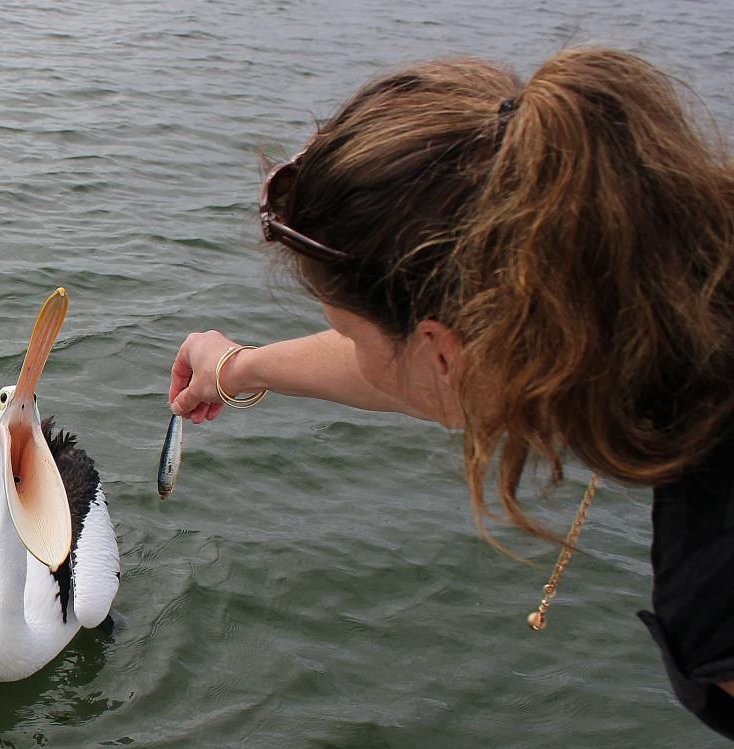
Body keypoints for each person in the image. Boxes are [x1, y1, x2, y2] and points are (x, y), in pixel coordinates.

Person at [167, 47, 734, 739]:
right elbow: (422, 367)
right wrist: (237, 366)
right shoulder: (667, 278)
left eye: (351, 334)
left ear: (443, 351)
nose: (354, 352)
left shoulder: (717, 580)